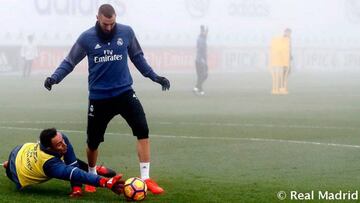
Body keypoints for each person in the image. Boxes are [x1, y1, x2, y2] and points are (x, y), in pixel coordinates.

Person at [43, 4, 169, 194]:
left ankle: (146, 178)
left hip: (125, 93)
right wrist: (54, 78)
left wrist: (155, 77)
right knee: (93, 142)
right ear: (98, 18)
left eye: (111, 23)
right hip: (99, 98)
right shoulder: (86, 38)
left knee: (142, 129)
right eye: (105, 24)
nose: (109, 27)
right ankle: (92, 177)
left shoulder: (127, 32)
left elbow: (138, 57)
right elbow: (70, 61)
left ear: (115, 18)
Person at [2, 128, 125, 198]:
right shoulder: (50, 165)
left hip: (21, 150)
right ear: (49, 148)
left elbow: (72, 163)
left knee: (68, 159)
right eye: (59, 144)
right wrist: (104, 182)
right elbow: (75, 173)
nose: (64, 144)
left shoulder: (61, 138)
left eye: (62, 140)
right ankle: (7, 165)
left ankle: (92, 169)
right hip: (16, 173)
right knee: (9, 170)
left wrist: (76, 188)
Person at [269, 28, 292, 95]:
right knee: (282, 74)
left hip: (287, 58)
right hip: (282, 59)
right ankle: (280, 87)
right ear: (285, 32)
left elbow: (289, 48)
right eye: (288, 32)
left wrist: (290, 55)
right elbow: (282, 49)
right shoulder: (283, 39)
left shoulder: (289, 39)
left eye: (290, 33)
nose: (289, 34)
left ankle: (281, 87)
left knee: (286, 73)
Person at [193, 25, 208, 96]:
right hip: (200, 60)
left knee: (201, 76)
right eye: (205, 32)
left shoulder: (202, 39)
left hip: (199, 60)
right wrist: (204, 60)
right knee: (204, 75)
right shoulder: (201, 39)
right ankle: (198, 88)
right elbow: (202, 49)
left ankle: (198, 89)